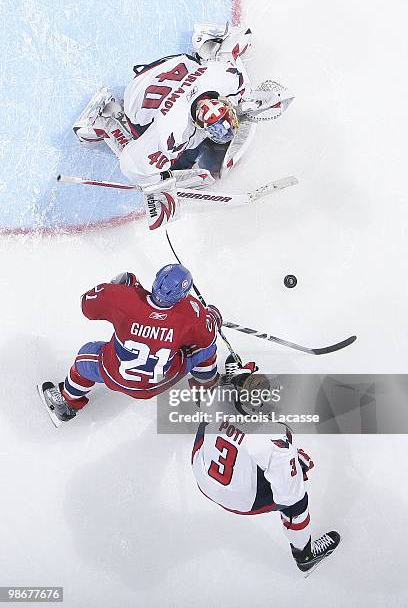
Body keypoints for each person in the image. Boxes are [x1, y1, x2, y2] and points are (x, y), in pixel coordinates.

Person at [72, 23, 294, 220]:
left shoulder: (224, 75)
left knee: (205, 64)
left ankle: (207, 44)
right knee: (176, 164)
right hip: (138, 99)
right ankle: (108, 117)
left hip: (165, 69)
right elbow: (131, 164)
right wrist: (157, 185)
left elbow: (239, 44)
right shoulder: (170, 132)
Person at [191, 356, 341, 575]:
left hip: (202, 475)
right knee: (296, 499)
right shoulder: (275, 438)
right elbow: (291, 502)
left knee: (208, 419)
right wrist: (296, 464)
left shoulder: (215, 396)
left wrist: (236, 378)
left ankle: (234, 383)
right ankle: (304, 555)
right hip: (243, 501)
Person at [38, 264, 227, 427]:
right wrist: (212, 316)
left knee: (84, 359)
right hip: (158, 383)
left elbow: (87, 305)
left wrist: (127, 287)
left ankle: (67, 402)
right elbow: (206, 337)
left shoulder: (122, 299)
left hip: (114, 374)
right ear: (183, 295)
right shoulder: (191, 313)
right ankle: (207, 391)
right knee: (204, 350)